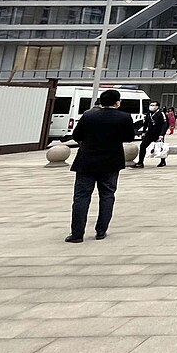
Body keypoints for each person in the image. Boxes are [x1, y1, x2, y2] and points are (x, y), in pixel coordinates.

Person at [66, 89, 134, 242]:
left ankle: (77, 234)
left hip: (87, 161)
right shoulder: (124, 117)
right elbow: (129, 137)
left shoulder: (89, 115)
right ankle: (101, 231)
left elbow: (76, 135)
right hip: (111, 162)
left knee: (81, 197)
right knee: (107, 196)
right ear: (117, 102)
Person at [133, 100, 167, 168]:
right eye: (151, 105)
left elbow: (165, 124)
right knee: (142, 146)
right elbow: (146, 123)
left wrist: (162, 134)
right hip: (150, 133)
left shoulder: (161, 113)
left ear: (157, 106)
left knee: (160, 147)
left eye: (153, 105)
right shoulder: (149, 113)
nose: (151, 107)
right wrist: (143, 131)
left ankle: (163, 161)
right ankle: (140, 162)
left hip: (158, 133)